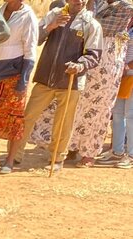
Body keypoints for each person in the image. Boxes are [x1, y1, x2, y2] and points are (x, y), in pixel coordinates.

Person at [18, 0, 103, 171]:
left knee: (63, 122)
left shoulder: (91, 24)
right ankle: (15, 155)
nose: (78, 1)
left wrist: (80, 65)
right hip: (45, 77)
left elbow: (94, 55)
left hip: (71, 81)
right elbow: (36, 39)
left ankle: (57, 159)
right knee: (27, 117)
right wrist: (51, 26)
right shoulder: (54, 15)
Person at [66, 0, 133, 165]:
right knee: (78, 104)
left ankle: (89, 152)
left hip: (107, 66)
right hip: (86, 58)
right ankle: (71, 147)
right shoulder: (96, 3)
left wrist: (87, 12)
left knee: (100, 109)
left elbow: (99, 26)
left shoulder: (125, 8)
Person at [0, 0, 38, 171]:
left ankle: (9, 161)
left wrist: (23, 81)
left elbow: (30, 50)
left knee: (14, 118)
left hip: (14, 74)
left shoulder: (28, 16)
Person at [102, 28, 133, 166]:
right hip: (122, 77)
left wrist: (128, 66)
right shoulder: (128, 27)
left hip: (130, 74)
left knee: (130, 115)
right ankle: (117, 151)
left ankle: (131, 155)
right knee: (118, 114)